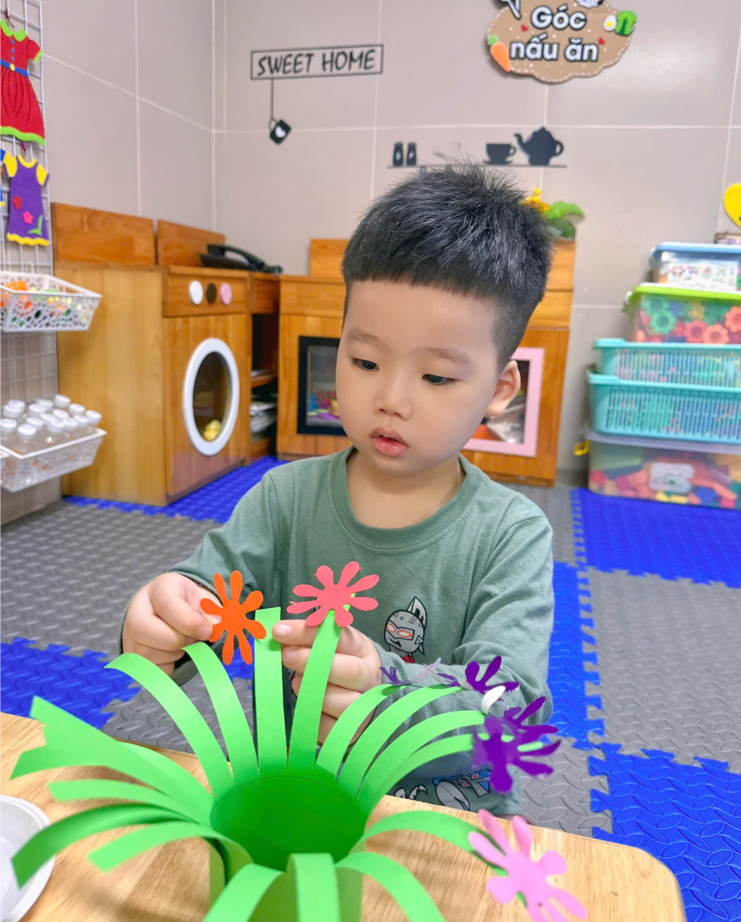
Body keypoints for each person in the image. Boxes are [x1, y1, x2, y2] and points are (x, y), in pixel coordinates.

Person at [121, 163, 555, 817]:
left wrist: (388, 691)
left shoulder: (510, 533)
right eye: (366, 361)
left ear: (499, 390)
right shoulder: (284, 499)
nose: (392, 399)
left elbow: (513, 708)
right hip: (299, 808)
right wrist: (160, 624)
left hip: (443, 828)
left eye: (437, 377)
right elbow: (204, 603)